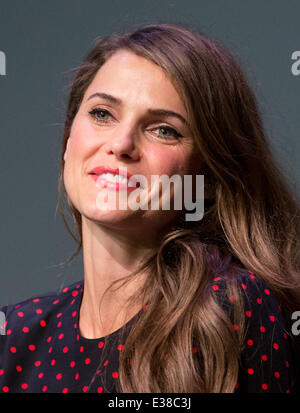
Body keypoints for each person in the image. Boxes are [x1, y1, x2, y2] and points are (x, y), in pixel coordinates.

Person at [0, 23, 299, 394]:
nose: (121, 143)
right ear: (68, 140)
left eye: (164, 130)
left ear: (206, 178)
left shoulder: (228, 312)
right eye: (102, 114)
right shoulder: (14, 334)